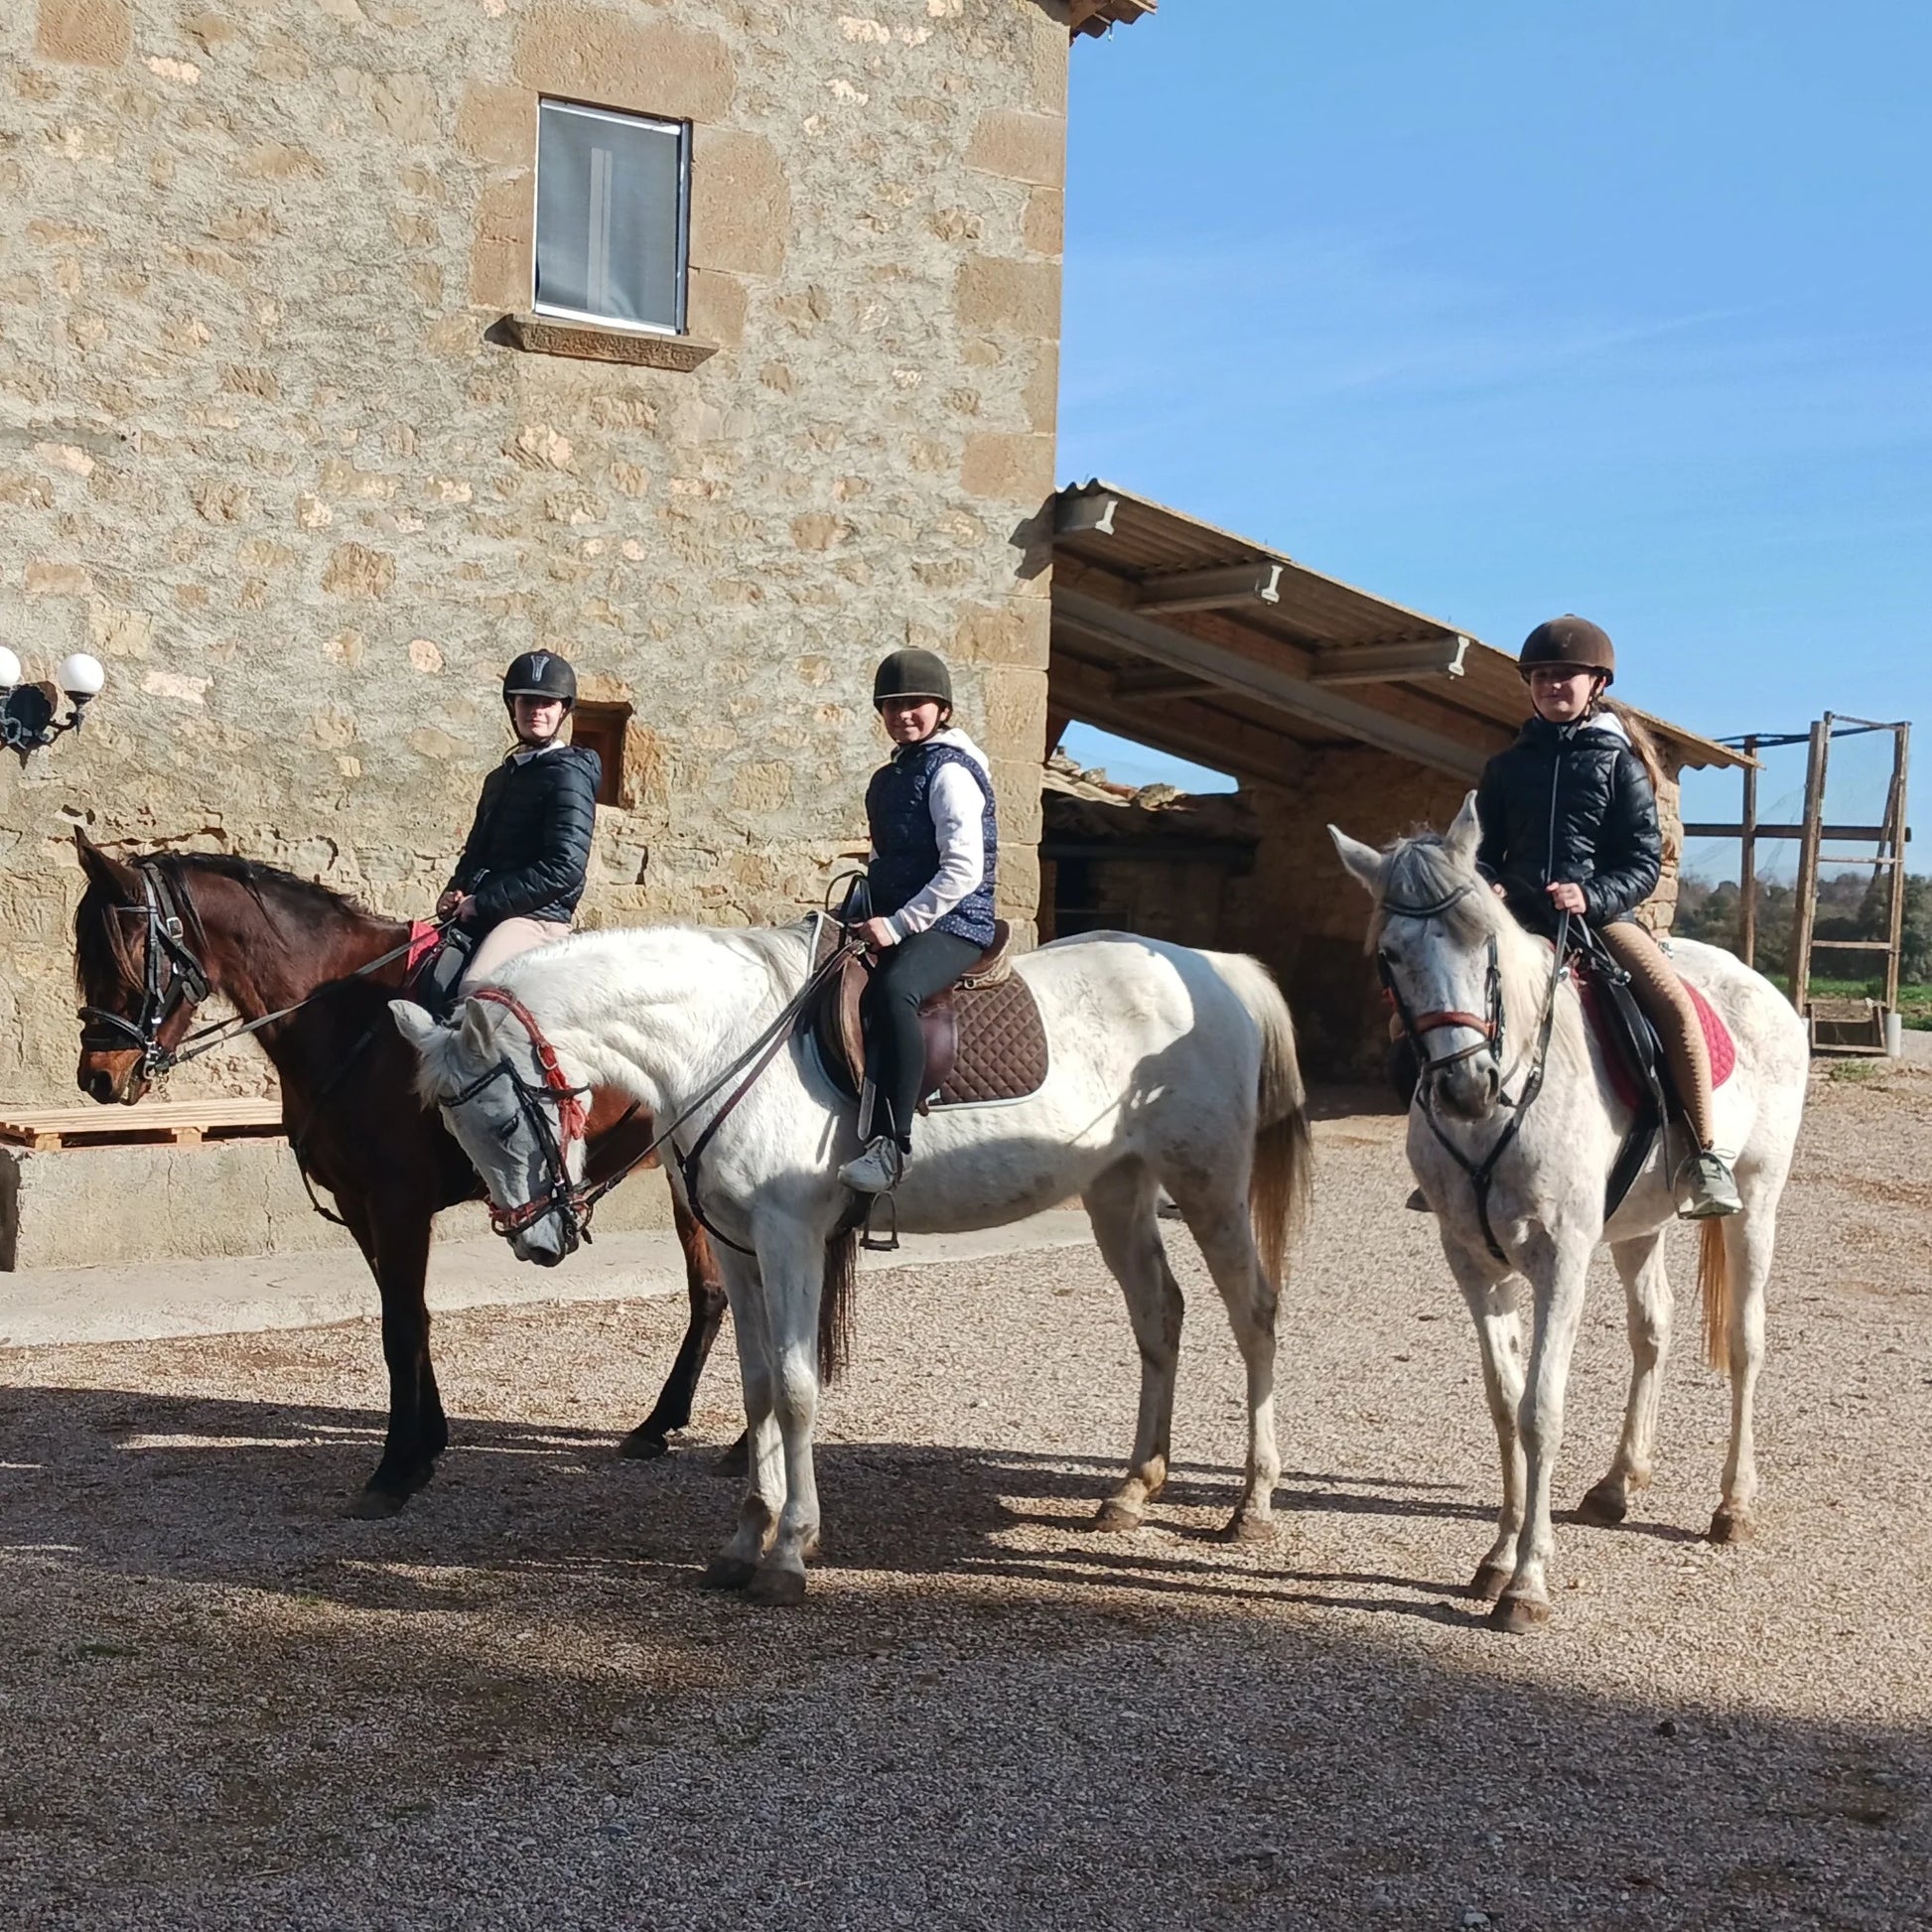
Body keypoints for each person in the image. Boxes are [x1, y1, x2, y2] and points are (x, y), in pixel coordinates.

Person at [1474, 615, 1739, 1218]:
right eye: (1541, 676)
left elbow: (1642, 862)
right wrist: (1489, 881)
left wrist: (1590, 896)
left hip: (1600, 919)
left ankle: (1704, 1155)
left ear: (1596, 683)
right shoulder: (1505, 767)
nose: (1552, 685)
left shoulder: (1620, 765)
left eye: (1565, 675)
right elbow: (1486, 849)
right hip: (1517, 918)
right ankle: (1447, 1152)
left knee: (1671, 1005)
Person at [837, 648, 998, 1195]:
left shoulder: (950, 771)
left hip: (955, 922)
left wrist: (898, 925)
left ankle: (891, 1145)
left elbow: (963, 870)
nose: (904, 713)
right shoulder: (895, 772)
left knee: (896, 991)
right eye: (893, 704)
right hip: (898, 914)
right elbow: (891, 859)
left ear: (942, 709)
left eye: (916, 704)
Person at [435, 650, 601, 997]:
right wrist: (455, 891)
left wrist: (484, 903)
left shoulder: (569, 775)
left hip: (536, 918)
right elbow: (475, 853)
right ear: (513, 707)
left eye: (547, 702)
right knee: (421, 975)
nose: (536, 711)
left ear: (563, 710)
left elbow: (564, 867)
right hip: (487, 912)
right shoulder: (500, 777)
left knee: (475, 992)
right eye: (527, 701)